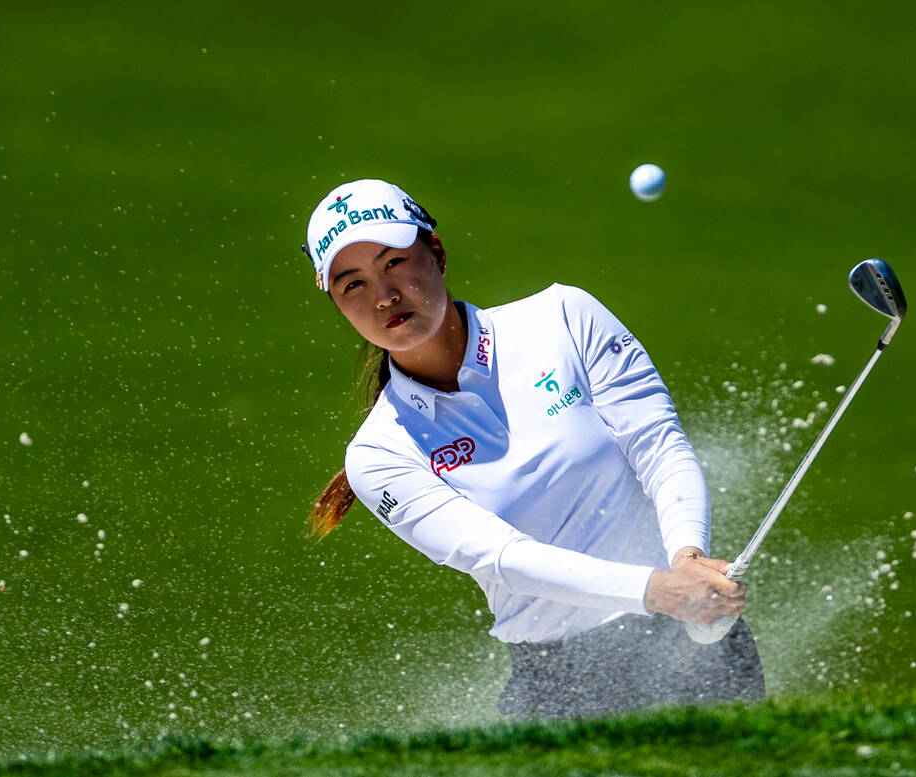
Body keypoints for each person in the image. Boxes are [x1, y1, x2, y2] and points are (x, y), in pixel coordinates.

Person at [302, 178, 764, 718]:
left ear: (437, 253)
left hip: (691, 637)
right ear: (337, 304)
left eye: (394, 263)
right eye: (352, 284)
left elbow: (658, 443)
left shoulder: (563, 318)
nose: (384, 296)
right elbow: (504, 557)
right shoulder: (378, 455)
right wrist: (658, 589)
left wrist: (688, 558)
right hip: (560, 681)